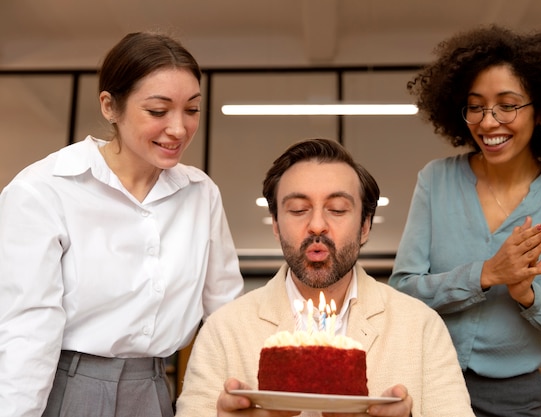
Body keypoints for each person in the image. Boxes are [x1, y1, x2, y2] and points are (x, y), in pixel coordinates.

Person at [0, 32, 244, 417]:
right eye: (158, 111)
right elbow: (28, 329)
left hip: (154, 390)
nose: (179, 129)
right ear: (110, 106)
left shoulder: (201, 194)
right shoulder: (45, 190)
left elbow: (227, 314)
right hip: (65, 390)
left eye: (192, 110)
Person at [389, 25, 541, 417]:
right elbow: (402, 292)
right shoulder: (436, 179)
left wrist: (529, 296)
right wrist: (485, 274)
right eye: (476, 106)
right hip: (427, 382)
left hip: (517, 400)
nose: (488, 121)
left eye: (507, 105)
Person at [175, 138, 475, 417]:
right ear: (276, 225)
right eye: (298, 209)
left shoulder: (421, 327)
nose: (317, 225)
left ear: (365, 226)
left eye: (337, 209)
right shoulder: (224, 330)